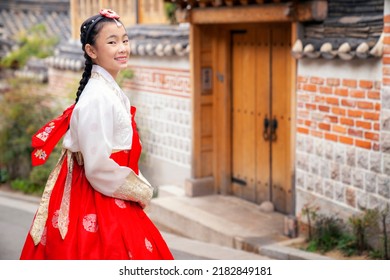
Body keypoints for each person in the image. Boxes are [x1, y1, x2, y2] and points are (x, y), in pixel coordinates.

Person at [20, 9, 174, 260]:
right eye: (112, 42)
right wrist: (141, 191)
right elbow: (98, 167)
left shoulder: (106, 90)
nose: (122, 47)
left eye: (124, 40)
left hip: (106, 187)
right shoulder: (97, 97)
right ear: (92, 51)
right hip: (97, 194)